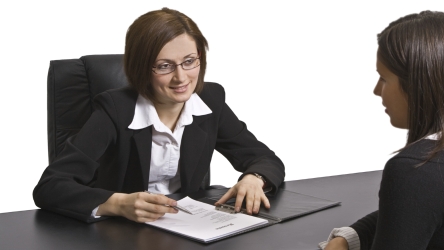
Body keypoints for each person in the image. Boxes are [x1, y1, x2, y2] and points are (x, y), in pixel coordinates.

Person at [33, 7, 285, 223]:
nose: (181, 77)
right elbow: (50, 187)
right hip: (120, 234)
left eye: (189, 61)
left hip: (189, 227)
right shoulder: (115, 109)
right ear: (141, 67)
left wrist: (255, 178)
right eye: (164, 66)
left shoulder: (210, 100)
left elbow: (264, 158)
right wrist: (118, 203)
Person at [321, 11, 444, 249]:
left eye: (384, 78)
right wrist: (350, 237)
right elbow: (418, 210)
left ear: (418, 85)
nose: (377, 90)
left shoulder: (416, 170)